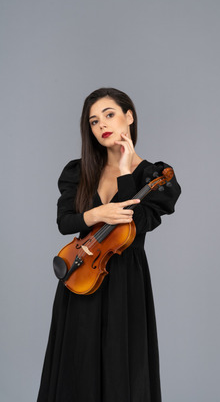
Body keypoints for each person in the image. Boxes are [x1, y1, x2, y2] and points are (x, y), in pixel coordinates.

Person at [37, 87, 181, 402]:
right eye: (93, 121)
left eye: (109, 114)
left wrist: (128, 172)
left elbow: (139, 221)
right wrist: (95, 214)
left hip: (125, 285)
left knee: (121, 372)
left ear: (129, 117)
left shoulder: (155, 177)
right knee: (76, 370)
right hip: (80, 276)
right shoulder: (79, 171)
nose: (102, 124)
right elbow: (65, 223)